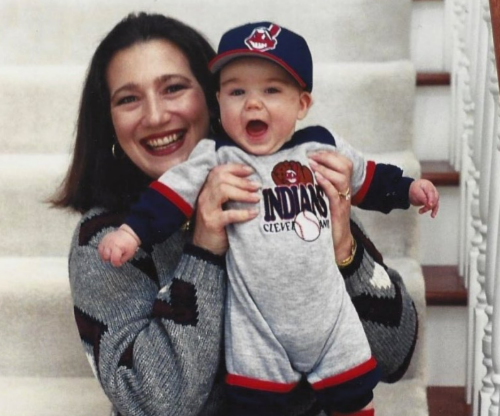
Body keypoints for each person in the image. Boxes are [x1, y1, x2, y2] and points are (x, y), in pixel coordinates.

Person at [52, 12, 421, 416]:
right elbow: (154, 403)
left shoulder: (290, 181)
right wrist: (205, 249)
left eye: (173, 88)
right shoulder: (104, 240)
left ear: (212, 98)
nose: (156, 116)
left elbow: (395, 355)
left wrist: (345, 251)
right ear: (108, 121)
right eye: (128, 98)